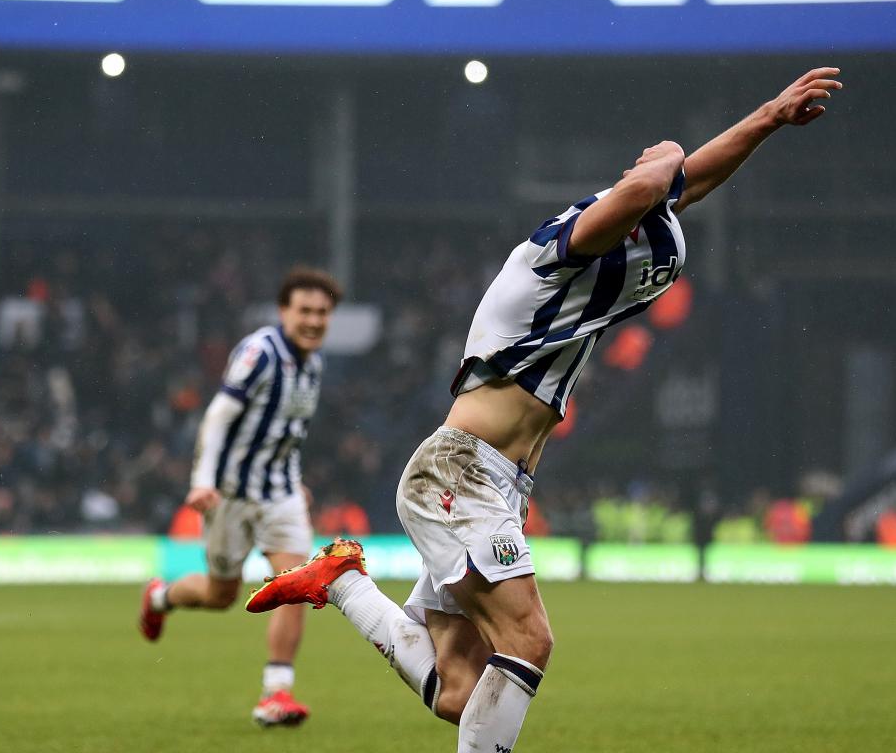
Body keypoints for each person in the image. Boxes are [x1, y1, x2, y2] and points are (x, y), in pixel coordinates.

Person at [247, 68, 842, 750]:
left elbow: (683, 183)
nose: (652, 167)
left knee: (462, 691)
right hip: (459, 474)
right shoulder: (552, 254)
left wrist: (767, 116)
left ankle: (345, 581)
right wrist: (667, 150)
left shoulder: (618, 244)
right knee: (529, 639)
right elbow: (656, 183)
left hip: (497, 482)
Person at [138, 266, 343, 727]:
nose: (314, 321)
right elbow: (218, 417)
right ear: (283, 311)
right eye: (305, 310)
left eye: (323, 313)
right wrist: (203, 480)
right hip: (229, 494)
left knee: (296, 584)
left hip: (282, 494)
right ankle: (160, 597)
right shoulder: (259, 353)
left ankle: (276, 694)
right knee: (218, 594)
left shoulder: (314, 362)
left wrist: (292, 477)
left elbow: (286, 429)